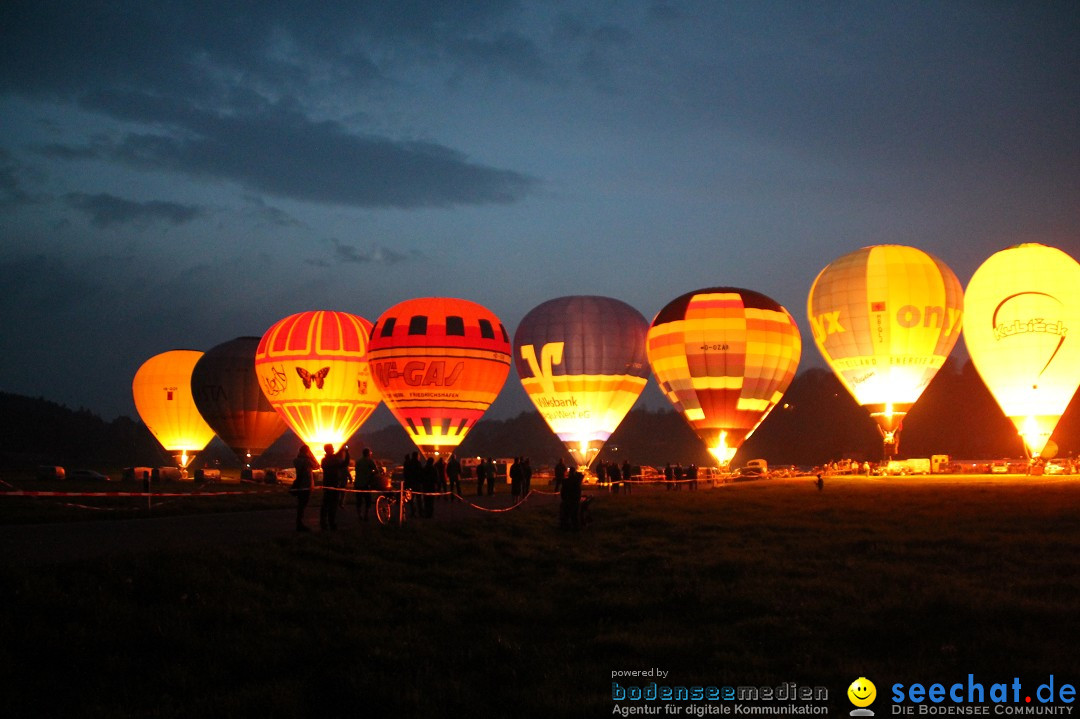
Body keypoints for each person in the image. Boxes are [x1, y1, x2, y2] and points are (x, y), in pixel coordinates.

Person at [320, 444, 349, 531]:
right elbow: (344, 463)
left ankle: (323, 523)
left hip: (326, 484)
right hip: (334, 484)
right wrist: (346, 453)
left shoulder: (324, 460)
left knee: (325, 504)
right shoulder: (334, 460)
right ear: (329, 450)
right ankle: (331, 523)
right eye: (332, 448)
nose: (333, 449)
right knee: (333, 505)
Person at [292, 445, 318, 531]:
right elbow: (317, 466)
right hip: (306, 485)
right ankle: (300, 523)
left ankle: (298, 522)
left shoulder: (296, 460)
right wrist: (311, 455)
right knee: (303, 504)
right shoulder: (307, 461)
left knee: (300, 504)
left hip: (300, 485)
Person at [354, 448, 379, 521]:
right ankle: (366, 514)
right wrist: (371, 474)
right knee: (368, 500)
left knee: (359, 500)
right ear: (368, 454)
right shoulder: (370, 461)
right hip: (366, 483)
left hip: (358, 483)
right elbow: (376, 471)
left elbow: (356, 471)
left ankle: (359, 515)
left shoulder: (358, 461)